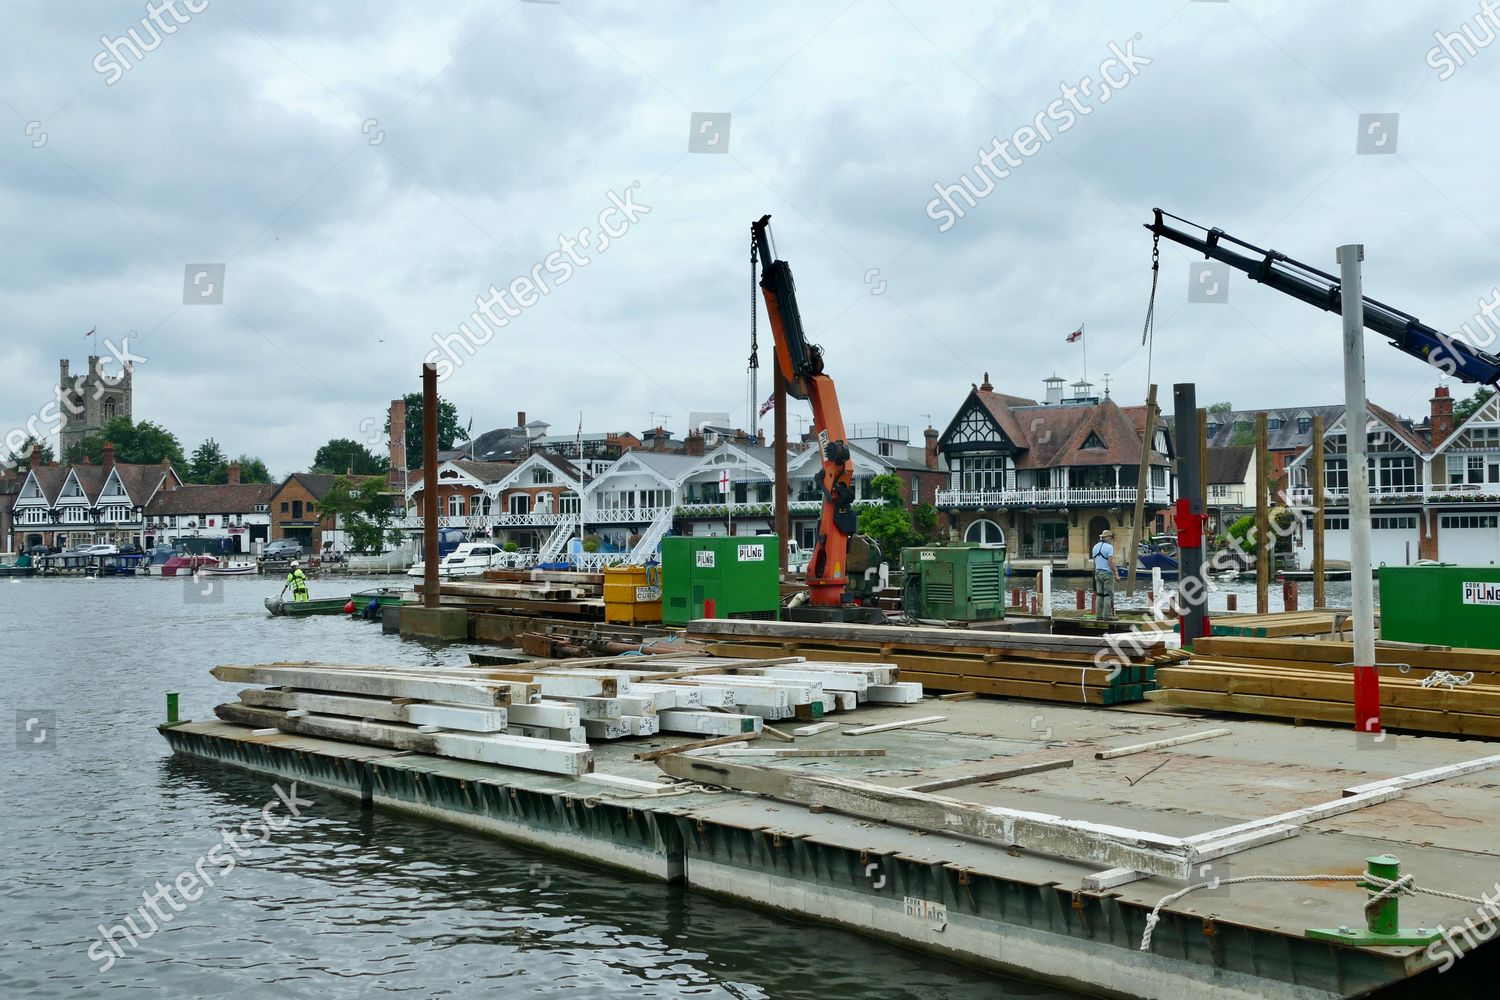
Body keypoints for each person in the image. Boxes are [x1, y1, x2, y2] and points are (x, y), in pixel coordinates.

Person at [1091, 529, 1116, 620]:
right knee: (1108, 594)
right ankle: (1107, 615)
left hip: (1097, 572)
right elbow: (1110, 562)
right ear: (1108, 538)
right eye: (1110, 538)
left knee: (1100, 594)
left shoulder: (1095, 547)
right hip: (1107, 573)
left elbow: (1094, 562)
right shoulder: (1109, 547)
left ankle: (1098, 616)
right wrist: (1116, 574)